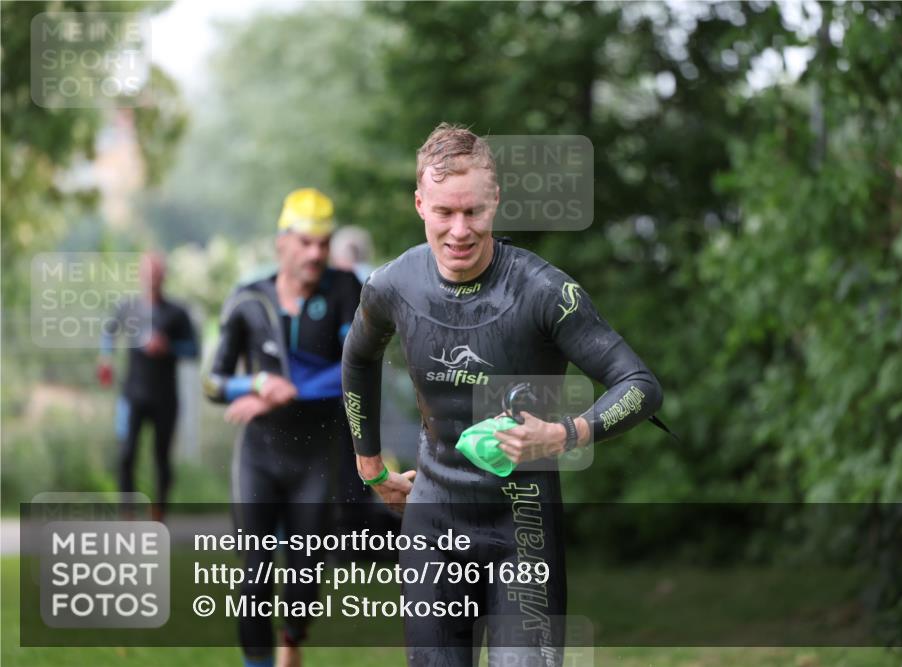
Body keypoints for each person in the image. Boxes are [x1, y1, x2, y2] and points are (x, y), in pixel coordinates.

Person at [341, 124, 664, 666]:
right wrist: (371, 467)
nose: (460, 230)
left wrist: (566, 433)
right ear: (420, 204)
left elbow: (641, 386)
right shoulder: (393, 286)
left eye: (474, 212)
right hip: (433, 519)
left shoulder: (543, 292)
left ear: (497, 202)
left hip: (524, 528)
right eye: (444, 212)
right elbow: (358, 358)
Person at [203, 188, 367, 667]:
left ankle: (291, 641)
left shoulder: (345, 291)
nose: (316, 253)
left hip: (316, 456)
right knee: (254, 576)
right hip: (259, 455)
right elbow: (214, 382)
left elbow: (354, 369)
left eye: (324, 243)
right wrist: (254, 383)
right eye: (305, 242)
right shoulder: (248, 299)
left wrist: (285, 387)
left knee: (304, 575)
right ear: (282, 243)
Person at [99, 251, 199, 522]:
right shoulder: (128, 307)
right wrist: (105, 357)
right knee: (127, 453)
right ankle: (127, 512)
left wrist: (168, 347)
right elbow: (108, 331)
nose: (151, 278)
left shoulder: (177, 313)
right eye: (147, 272)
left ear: (163, 276)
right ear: (140, 275)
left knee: (161, 458)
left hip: (165, 397)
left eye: (156, 272)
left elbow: (193, 349)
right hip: (133, 394)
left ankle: (159, 512)